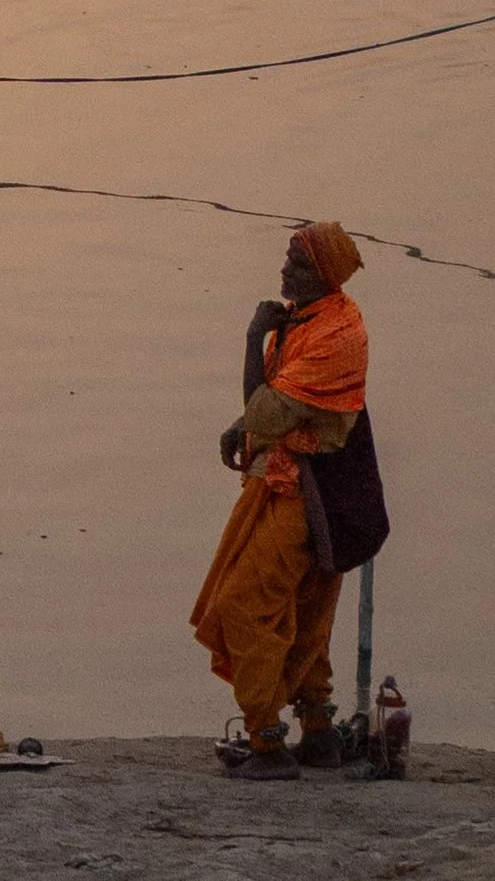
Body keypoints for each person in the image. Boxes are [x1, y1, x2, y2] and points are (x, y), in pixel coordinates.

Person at [191, 221, 368, 773]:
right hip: (303, 483)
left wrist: (252, 338)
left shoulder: (336, 333)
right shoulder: (313, 320)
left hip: (306, 493)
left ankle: (266, 740)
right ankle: (318, 731)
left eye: (297, 264)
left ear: (324, 276)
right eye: (288, 260)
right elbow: (281, 407)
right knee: (306, 607)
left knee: (246, 606)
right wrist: (241, 426)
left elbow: (269, 410)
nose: (284, 270)